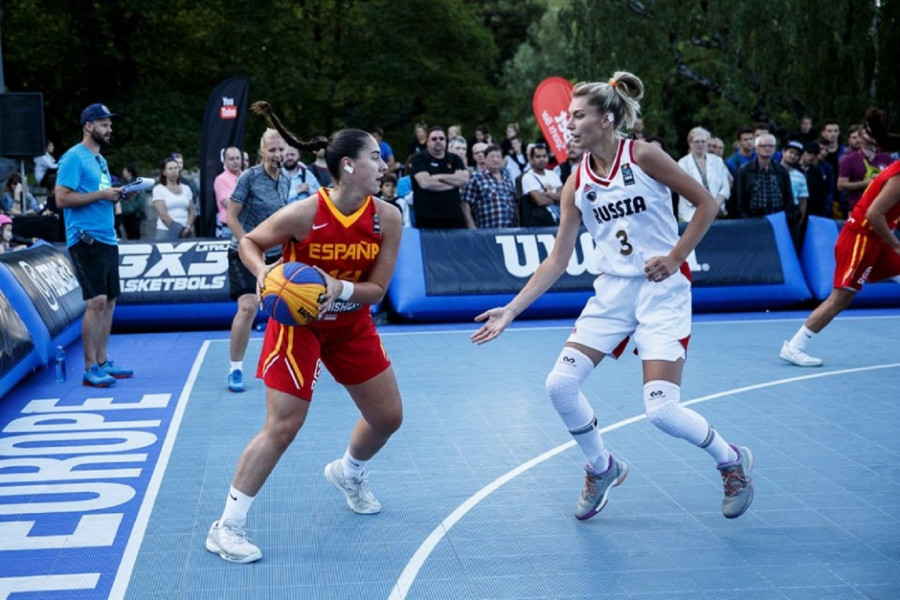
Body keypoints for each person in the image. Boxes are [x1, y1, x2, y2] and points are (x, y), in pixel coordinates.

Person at [471, 71, 754, 522]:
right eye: (568, 116)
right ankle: (601, 467)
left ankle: (731, 460)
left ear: (605, 119)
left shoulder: (643, 155)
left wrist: (676, 255)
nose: (570, 124)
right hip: (613, 293)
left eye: (578, 115)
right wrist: (511, 309)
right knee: (559, 386)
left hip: (663, 291)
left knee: (662, 411)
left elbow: (707, 203)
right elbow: (557, 260)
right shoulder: (576, 183)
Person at [205, 102, 404, 564]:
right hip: (299, 326)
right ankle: (227, 527)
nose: (383, 164)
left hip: (351, 324)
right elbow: (249, 242)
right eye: (375, 156)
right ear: (349, 165)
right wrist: (264, 276)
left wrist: (338, 287)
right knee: (284, 425)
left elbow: (375, 292)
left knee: (388, 418)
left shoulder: (387, 217)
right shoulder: (305, 212)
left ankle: (349, 472)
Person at [779, 108, 900, 367]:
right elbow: (875, 214)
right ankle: (795, 346)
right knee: (841, 298)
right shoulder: (898, 177)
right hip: (861, 237)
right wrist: (896, 245)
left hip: (875, 238)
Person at [55, 103, 133, 387]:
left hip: (106, 236)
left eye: (109, 124)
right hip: (85, 238)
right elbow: (61, 199)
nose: (109, 128)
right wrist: (102, 194)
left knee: (109, 301)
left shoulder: (99, 159)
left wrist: (115, 196)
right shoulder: (73, 158)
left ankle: (102, 360)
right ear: (88, 126)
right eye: (103, 123)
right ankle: (90, 367)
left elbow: (97, 195)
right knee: (97, 301)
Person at [225, 120, 289, 392]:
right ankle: (235, 369)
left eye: (281, 150)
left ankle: (286, 363)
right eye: (272, 150)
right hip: (243, 253)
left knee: (289, 309)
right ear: (262, 152)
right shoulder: (249, 177)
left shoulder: (286, 180)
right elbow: (231, 216)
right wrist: (247, 246)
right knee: (249, 307)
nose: (277, 155)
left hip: (275, 256)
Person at [409, 126, 469, 228]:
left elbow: (464, 180)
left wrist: (437, 177)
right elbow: (425, 183)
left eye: (441, 138)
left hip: (453, 217)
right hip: (428, 217)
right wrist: (453, 182)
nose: (438, 141)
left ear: (446, 141)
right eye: (434, 139)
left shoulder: (455, 159)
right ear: (427, 142)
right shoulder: (419, 159)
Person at [676, 126, 730, 221]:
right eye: (697, 142)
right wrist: (705, 207)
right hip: (690, 214)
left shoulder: (718, 161)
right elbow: (683, 188)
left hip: (716, 214)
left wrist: (715, 206)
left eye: (703, 141)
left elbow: (725, 187)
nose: (700, 144)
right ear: (690, 143)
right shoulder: (683, 163)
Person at [461, 144, 518, 228]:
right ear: (485, 159)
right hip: (486, 230)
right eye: (492, 157)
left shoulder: (508, 179)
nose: (495, 159)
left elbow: (515, 204)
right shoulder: (476, 178)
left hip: (509, 231)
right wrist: (471, 225)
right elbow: (465, 203)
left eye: (498, 157)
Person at [519, 143, 563, 227]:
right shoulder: (528, 177)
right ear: (531, 159)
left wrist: (547, 194)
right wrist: (556, 199)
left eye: (544, 156)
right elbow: (540, 201)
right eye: (538, 156)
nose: (541, 159)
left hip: (559, 220)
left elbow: (564, 197)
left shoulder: (553, 174)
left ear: (547, 158)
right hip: (541, 223)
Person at [152, 156, 195, 239]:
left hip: (187, 231)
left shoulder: (186, 188)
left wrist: (188, 227)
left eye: (176, 168)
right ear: (164, 172)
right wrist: (178, 229)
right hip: (166, 231)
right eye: (170, 168)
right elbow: (163, 215)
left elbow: (192, 212)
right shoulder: (158, 189)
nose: (174, 171)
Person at [214, 146, 243, 238]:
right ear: (225, 161)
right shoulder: (220, 179)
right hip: (229, 229)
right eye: (231, 159)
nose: (235, 161)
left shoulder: (247, 177)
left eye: (238, 158)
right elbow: (229, 204)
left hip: (246, 226)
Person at [118, 165, 146, 240]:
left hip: (135, 213)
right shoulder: (122, 183)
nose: (123, 172)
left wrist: (132, 207)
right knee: (128, 233)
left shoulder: (137, 183)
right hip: (125, 213)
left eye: (125, 170)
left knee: (135, 233)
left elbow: (141, 198)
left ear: (129, 172)